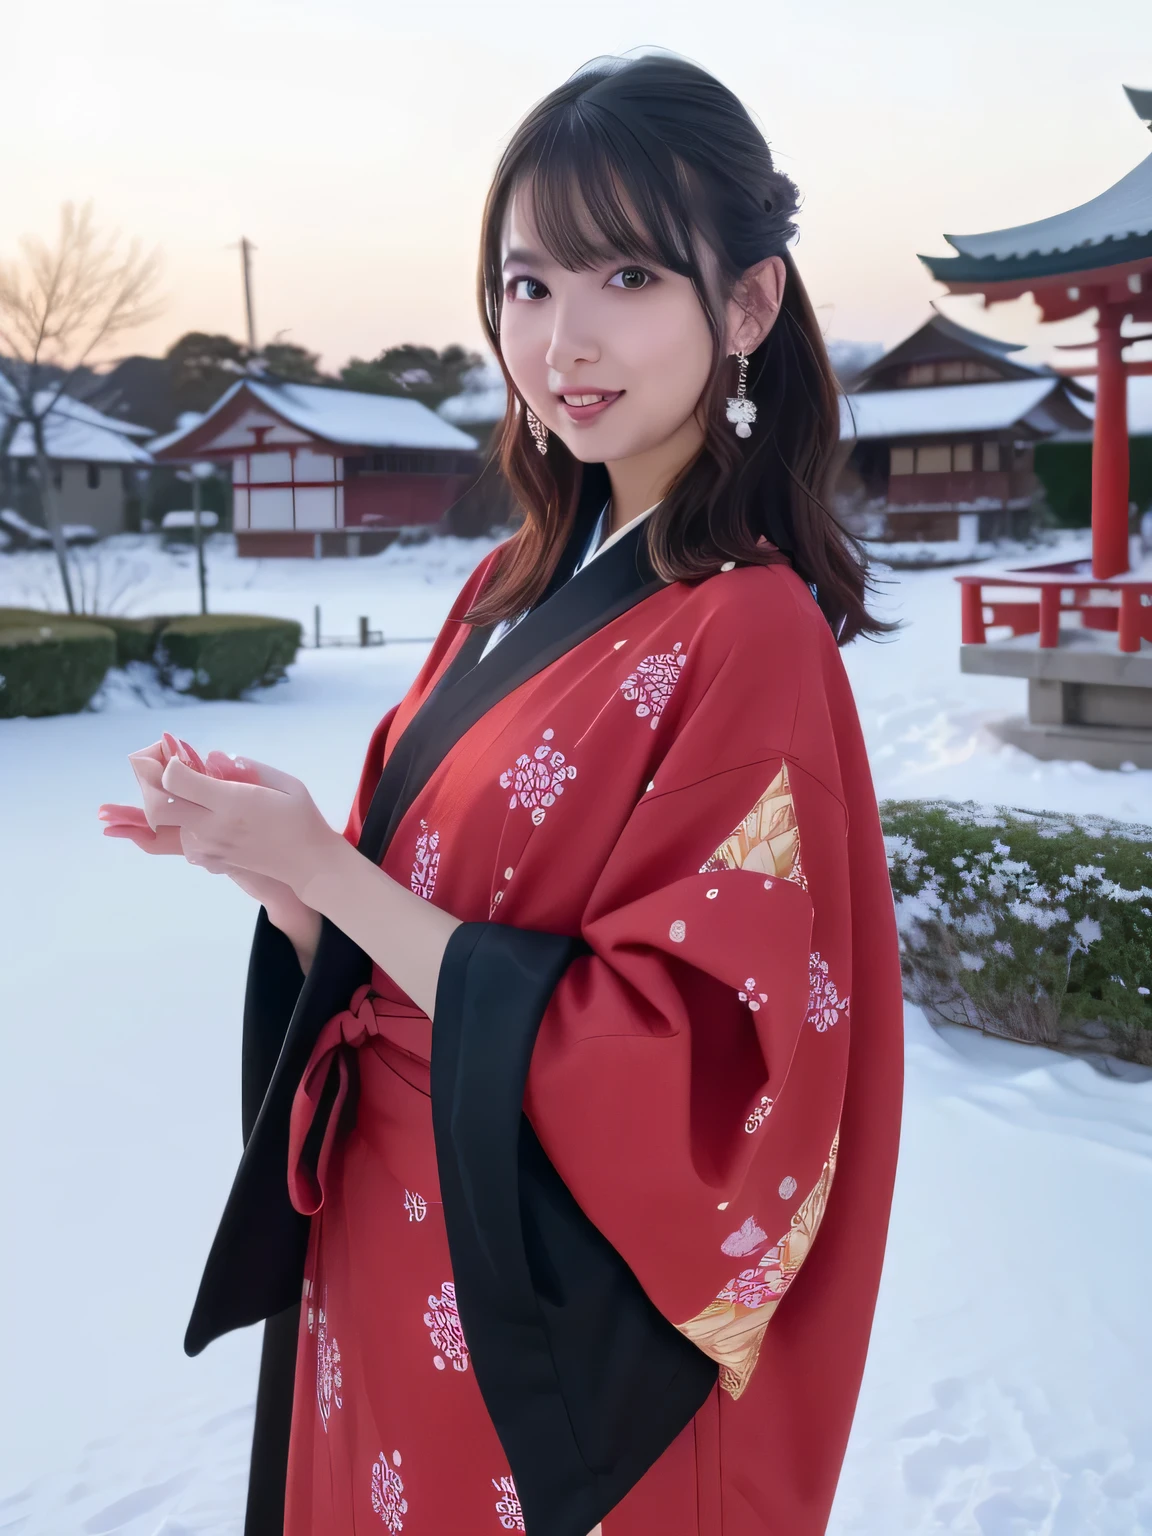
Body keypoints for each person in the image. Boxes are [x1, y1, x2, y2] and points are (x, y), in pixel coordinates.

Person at [100, 51, 904, 1536]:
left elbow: (693, 1069)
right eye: (528, 285)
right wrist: (279, 877)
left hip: (544, 1319)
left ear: (746, 306)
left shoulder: (749, 632)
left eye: (629, 275)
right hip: (390, 1253)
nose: (565, 339)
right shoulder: (507, 585)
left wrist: (334, 878)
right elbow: (420, 926)